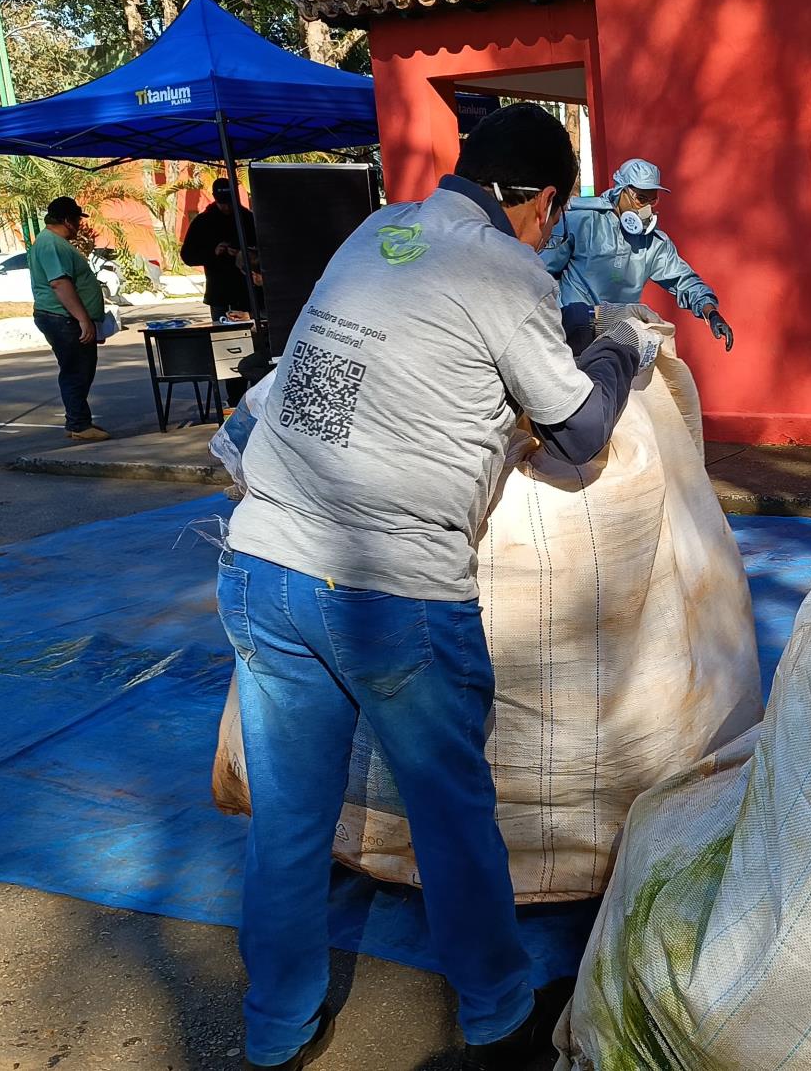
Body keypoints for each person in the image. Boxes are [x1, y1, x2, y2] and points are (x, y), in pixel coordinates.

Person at [218, 103, 649, 1071]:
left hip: (265, 566)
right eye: (554, 217)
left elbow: (380, 360)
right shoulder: (508, 271)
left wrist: (555, 317)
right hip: (392, 594)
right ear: (541, 203)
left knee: (289, 818)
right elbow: (578, 432)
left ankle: (275, 1028)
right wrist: (617, 345)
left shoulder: (382, 229)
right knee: (453, 815)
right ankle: (498, 1016)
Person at [541, 157, 735, 350]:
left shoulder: (652, 243)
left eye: (653, 200)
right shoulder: (582, 222)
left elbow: (684, 281)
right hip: (569, 332)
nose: (647, 208)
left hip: (617, 339)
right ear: (620, 191)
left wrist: (711, 312)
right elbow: (541, 273)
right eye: (641, 199)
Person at [27, 196, 110, 442]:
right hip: (62, 318)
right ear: (66, 220)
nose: (79, 225)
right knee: (76, 370)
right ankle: (79, 423)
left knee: (81, 369)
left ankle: (79, 420)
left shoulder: (52, 242)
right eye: (76, 220)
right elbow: (59, 283)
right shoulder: (51, 244)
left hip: (64, 317)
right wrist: (83, 319)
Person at [181, 177, 258, 322]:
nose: (226, 208)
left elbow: (263, 247)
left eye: (229, 203)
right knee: (223, 337)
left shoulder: (247, 218)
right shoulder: (202, 222)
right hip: (219, 292)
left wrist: (244, 252)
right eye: (222, 203)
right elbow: (187, 256)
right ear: (215, 199)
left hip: (249, 291)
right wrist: (213, 252)